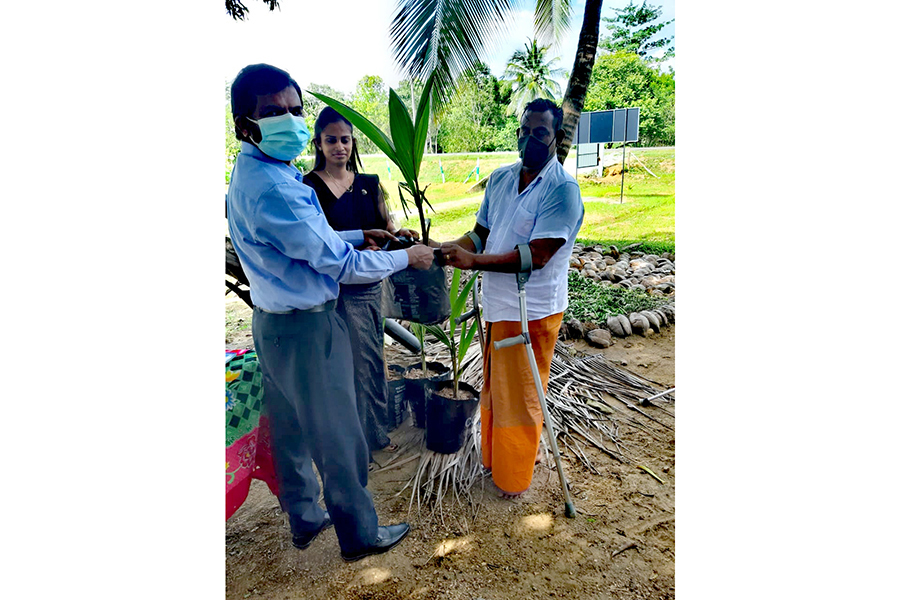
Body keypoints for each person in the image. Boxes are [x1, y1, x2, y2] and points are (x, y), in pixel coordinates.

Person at [226, 63, 433, 561]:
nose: (290, 120)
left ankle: (305, 516)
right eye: (273, 112)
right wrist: (408, 256)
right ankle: (360, 533)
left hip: (272, 325)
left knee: (290, 429)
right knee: (339, 433)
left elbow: (302, 243)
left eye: (296, 109)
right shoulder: (279, 187)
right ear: (245, 124)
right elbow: (338, 265)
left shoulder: (254, 174)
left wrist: (362, 233)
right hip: (310, 327)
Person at [436, 98, 584, 499]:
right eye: (524, 130)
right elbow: (481, 233)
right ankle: (493, 460)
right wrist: (449, 248)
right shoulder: (501, 179)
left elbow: (535, 255)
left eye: (539, 133)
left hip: (532, 310)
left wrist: (473, 261)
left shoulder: (562, 190)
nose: (528, 139)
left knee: (520, 397)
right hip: (499, 306)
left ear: (556, 139)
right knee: (496, 392)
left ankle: (513, 478)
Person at [303, 107, 418, 460]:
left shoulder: (369, 185)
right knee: (342, 366)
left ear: (354, 143)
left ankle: (371, 433)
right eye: (331, 140)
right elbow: (315, 240)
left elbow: (388, 226)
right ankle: (364, 438)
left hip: (369, 287)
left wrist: (402, 236)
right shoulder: (308, 188)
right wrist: (357, 240)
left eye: (345, 140)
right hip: (331, 289)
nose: (340, 147)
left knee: (369, 360)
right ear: (319, 144)